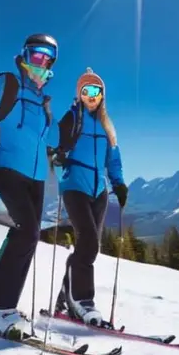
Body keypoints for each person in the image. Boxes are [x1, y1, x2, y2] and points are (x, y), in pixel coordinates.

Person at [0, 33, 61, 337]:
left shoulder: (43, 102)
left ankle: (4, 307)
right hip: (6, 169)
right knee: (27, 231)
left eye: (48, 59)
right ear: (25, 55)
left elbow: (51, 141)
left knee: (30, 238)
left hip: (36, 179)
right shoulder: (5, 84)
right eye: (37, 55)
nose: (41, 62)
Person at [51, 67, 128, 326]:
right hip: (75, 186)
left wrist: (119, 183)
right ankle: (83, 301)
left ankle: (65, 298)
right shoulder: (73, 118)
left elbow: (113, 159)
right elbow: (54, 142)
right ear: (79, 94)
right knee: (89, 243)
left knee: (88, 248)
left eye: (96, 91)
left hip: (99, 191)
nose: (91, 95)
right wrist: (57, 153)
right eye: (86, 91)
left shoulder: (107, 125)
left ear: (102, 95)